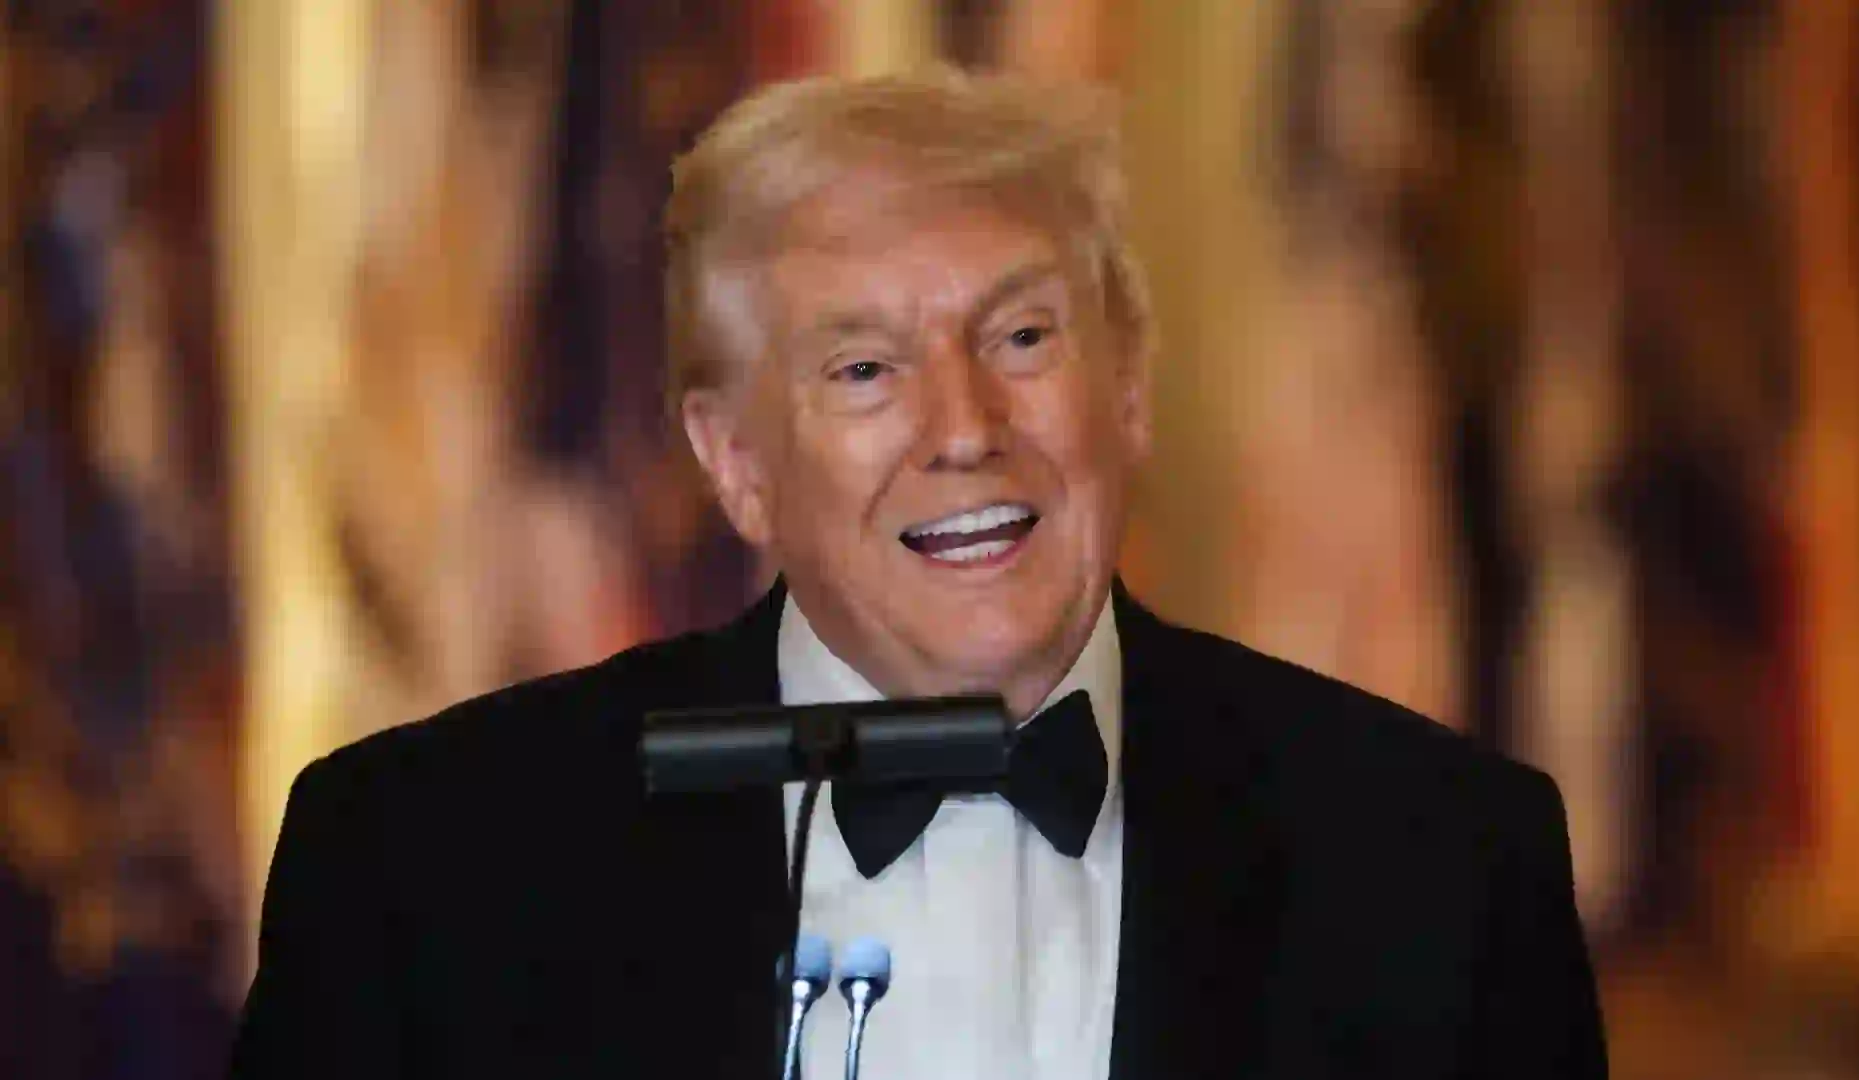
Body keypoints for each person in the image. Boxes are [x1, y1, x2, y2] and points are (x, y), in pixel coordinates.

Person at [229, 69, 1607, 1079]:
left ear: (1129, 387)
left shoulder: (1446, 873)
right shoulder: (425, 869)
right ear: (735, 463)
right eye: (865, 369)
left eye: (1020, 338)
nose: (963, 431)